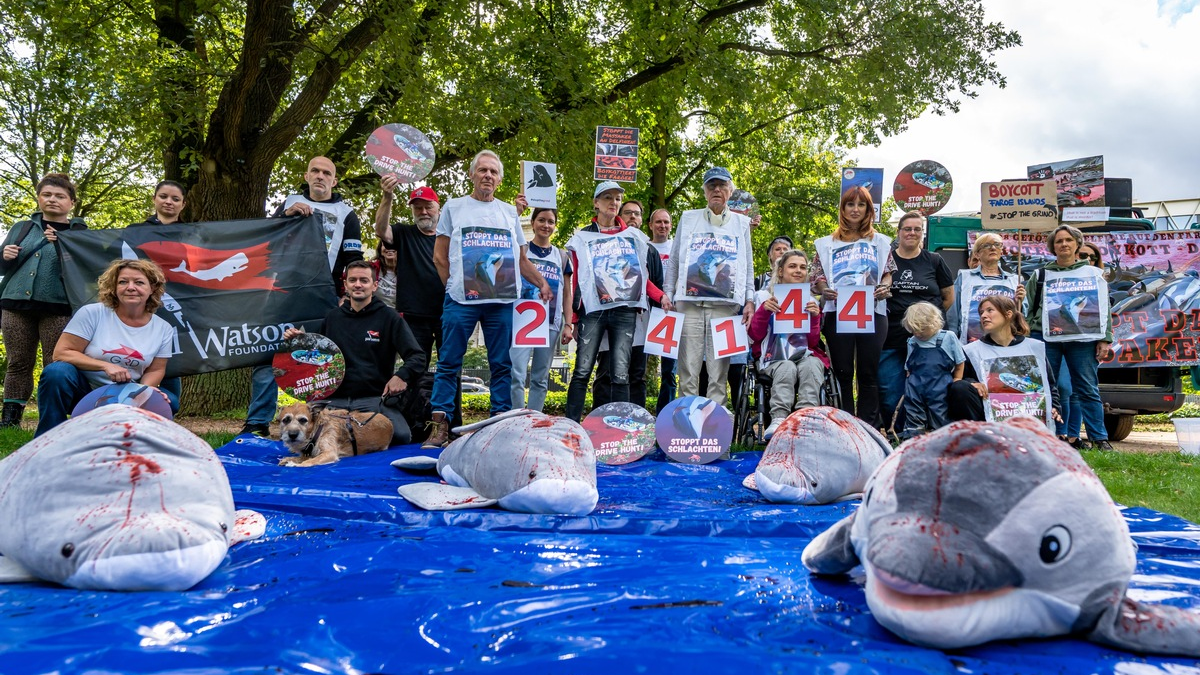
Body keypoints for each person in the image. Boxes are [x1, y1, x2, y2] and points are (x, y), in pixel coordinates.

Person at [424, 150, 551, 448]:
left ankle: (498, 425)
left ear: (500, 179)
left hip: (501, 303)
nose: (488, 176)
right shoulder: (453, 208)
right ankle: (439, 427)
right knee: (448, 363)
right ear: (472, 174)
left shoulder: (509, 212)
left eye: (493, 172)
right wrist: (454, 287)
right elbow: (439, 257)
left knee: (501, 365)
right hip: (460, 301)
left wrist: (542, 282)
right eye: (482, 170)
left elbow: (520, 259)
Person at [243, 156, 365, 436]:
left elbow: (354, 257)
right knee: (268, 354)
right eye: (315, 171)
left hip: (324, 294)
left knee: (321, 357)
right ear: (307, 175)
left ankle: (319, 422)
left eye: (326, 173)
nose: (320, 176)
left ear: (334, 181)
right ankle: (257, 423)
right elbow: (265, 240)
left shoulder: (346, 212)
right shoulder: (288, 202)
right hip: (283, 293)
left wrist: (344, 294)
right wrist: (284, 216)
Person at [281, 261, 426, 445]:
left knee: (401, 436)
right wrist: (298, 341)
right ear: (346, 285)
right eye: (353, 280)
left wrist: (401, 376)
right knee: (305, 437)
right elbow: (314, 358)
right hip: (333, 400)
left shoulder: (389, 317)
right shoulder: (332, 318)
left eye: (364, 280)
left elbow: (418, 357)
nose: (358, 284)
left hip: (373, 399)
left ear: (374, 285)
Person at [35, 259, 175, 436]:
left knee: (171, 402)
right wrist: (105, 365)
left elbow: (156, 369)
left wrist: (145, 390)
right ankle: (48, 438)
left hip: (126, 395)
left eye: (139, 282)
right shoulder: (92, 313)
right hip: (83, 392)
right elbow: (62, 353)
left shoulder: (163, 328)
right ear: (114, 287)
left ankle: (131, 437)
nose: (130, 287)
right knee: (56, 372)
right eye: (123, 282)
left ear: (152, 288)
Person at [564, 181, 663, 421]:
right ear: (596, 203)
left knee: (621, 374)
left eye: (617, 198)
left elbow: (642, 277)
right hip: (593, 312)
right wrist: (573, 319)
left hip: (624, 312)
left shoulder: (635, 237)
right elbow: (575, 280)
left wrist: (660, 296)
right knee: (582, 371)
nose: (613, 202)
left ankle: (619, 431)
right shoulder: (582, 237)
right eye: (607, 197)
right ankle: (570, 428)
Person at [0, 173, 87, 428]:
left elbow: (85, 269)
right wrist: (5, 255)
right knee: (18, 362)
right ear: (39, 198)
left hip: (59, 306)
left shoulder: (79, 231)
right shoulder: (22, 228)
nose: (53, 200)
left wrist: (62, 246)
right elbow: (3, 267)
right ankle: (10, 419)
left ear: (71, 202)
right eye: (47, 195)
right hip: (15, 304)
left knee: (55, 364)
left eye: (60, 196)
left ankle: (52, 419)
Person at [376, 180, 463, 430]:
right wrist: (387, 195)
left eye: (428, 207)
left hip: (449, 312)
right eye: (418, 208)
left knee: (452, 367)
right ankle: (414, 425)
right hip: (414, 315)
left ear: (439, 208)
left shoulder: (451, 237)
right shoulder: (403, 233)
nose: (423, 212)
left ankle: (451, 424)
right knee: (415, 369)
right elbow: (382, 230)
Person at [663, 167, 754, 406]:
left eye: (722, 186)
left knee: (718, 371)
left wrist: (750, 299)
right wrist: (668, 293)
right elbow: (674, 260)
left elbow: (748, 264)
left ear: (730, 191)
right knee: (688, 368)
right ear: (704, 191)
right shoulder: (688, 217)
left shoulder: (742, 224)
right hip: (689, 305)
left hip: (724, 307)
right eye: (711, 186)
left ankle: (716, 421)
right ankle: (684, 420)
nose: (716, 190)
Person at [811, 186, 896, 428]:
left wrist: (884, 287)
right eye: (851, 204)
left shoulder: (880, 241)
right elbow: (816, 278)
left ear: (869, 209)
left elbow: (888, 274)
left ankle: (868, 426)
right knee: (843, 372)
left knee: (869, 373)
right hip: (838, 311)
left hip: (873, 311)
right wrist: (823, 288)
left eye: (861, 205)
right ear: (843, 209)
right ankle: (845, 426)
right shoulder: (826, 243)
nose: (855, 209)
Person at [1023, 224, 1113, 450]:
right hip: (1045, 339)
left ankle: (1099, 438)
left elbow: (1104, 309)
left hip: (1083, 341)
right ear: (1052, 247)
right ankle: (1044, 436)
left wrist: (1105, 338)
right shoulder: (1040, 274)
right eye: (1059, 241)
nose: (1063, 244)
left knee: (1087, 388)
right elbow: (1027, 308)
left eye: (1068, 240)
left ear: (1077, 245)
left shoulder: (1094, 274)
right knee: (1042, 388)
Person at [878, 212, 954, 427]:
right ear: (898, 232)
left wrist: (925, 323)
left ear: (922, 233)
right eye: (907, 229)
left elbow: (947, 297)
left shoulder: (934, 260)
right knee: (889, 389)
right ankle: (899, 432)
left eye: (917, 229)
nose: (912, 233)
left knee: (933, 389)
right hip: (891, 336)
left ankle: (932, 430)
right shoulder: (885, 260)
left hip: (929, 341)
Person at [947, 295, 1062, 432]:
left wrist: (1054, 407)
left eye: (990, 310)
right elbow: (959, 380)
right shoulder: (971, 350)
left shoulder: (1033, 347)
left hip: (1029, 418)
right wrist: (971, 383)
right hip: (987, 417)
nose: (984, 316)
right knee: (959, 388)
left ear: (1008, 314)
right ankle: (979, 439)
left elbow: (1049, 384)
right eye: (981, 312)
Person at [748, 249, 826, 438]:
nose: (798, 270)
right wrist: (764, 312)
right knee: (787, 367)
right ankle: (779, 418)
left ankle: (806, 417)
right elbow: (754, 336)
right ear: (780, 271)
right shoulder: (762, 297)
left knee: (813, 364)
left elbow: (813, 341)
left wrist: (815, 318)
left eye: (802, 267)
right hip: (772, 357)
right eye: (792, 266)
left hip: (802, 354)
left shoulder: (809, 300)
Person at [510, 207, 573, 411]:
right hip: (523, 322)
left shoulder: (561, 256)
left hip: (550, 322)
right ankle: (516, 418)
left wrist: (568, 324)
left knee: (540, 376)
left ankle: (534, 418)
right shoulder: (522, 252)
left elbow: (567, 294)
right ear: (534, 222)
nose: (546, 225)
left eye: (551, 221)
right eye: (541, 220)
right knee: (516, 373)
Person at [899, 301, 964, 438]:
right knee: (913, 409)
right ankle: (913, 437)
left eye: (921, 329)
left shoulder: (947, 337)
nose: (917, 333)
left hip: (940, 384)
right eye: (913, 329)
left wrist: (957, 379)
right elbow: (909, 365)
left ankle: (942, 437)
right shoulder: (913, 341)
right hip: (915, 384)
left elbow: (960, 361)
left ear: (933, 323)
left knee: (940, 410)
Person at [947, 232, 1024, 344]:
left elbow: (1021, 316)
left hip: (1005, 344)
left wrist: (1019, 303)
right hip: (970, 344)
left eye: (997, 245)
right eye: (987, 245)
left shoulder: (1015, 280)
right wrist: (953, 339)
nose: (993, 248)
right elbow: (952, 313)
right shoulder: (964, 277)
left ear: (1001, 251)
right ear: (977, 254)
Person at [646, 208, 676, 412]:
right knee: (639, 368)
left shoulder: (677, 247)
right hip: (647, 312)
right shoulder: (644, 247)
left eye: (666, 222)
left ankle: (664, 414)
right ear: (650, 225)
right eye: (658, 222)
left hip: (671, 314)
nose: (662, 226)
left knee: (669, 371)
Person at [371, 239, 398, 308]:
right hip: (374, 313)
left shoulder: (409, 272)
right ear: (380, 249)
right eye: (385, 244)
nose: (389, 247)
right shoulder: (371, 269)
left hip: (399, 316)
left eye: (394, 244)